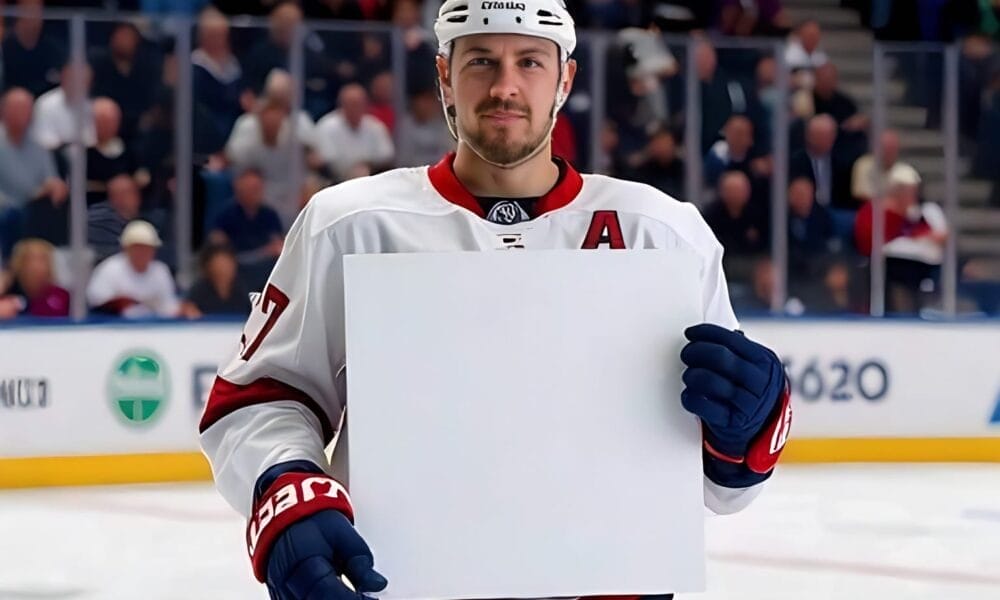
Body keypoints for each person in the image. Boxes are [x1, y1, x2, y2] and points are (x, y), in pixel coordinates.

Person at [198, 3, 793, 600]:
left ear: (565, 79)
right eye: (481, 60)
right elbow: (259, 398)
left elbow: (724, 491)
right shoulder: (352, 224)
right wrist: (286, 487)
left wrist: (747, 425)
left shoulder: (663, 233)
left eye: (529, 62)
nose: (505, 86)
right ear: (444, 76)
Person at [86, 220, 180, 318]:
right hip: (115, 328)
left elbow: (169, 307)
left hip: (154, 329)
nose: (142, 253)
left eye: (147, 248)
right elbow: (96, 303)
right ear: (126, 248)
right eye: (137, 248)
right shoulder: (109, 269)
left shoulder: (161, 271)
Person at [0, 238, 70, 319]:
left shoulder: (62, 296)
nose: (36, 266)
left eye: (42, 259)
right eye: (30, 259)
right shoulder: (7, 292)